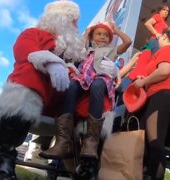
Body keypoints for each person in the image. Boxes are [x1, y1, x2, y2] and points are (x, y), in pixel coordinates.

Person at [0, 1, 88, 179]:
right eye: (73, 21)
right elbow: (24, 51)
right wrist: (49, 61)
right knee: (28, 72)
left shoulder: (72, 53)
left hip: (58, 107)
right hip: (32, 95)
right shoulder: (33, 33)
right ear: (59, 19)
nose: (76, 26)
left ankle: (83, 166)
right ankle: (4, 156)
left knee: (83, 88)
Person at [39, 21, 132, 177]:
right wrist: (87, 32)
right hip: (83, 78)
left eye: (106, 35)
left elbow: (128, 42)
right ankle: (63, 140)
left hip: (101, 78)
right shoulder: (85, 50)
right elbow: (77, 48)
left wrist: (116, 30)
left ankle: (91, 142)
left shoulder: (110, 51)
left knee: (97, 85)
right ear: (92, 37)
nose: (102, 37)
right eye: (99, 34)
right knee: (71, 87)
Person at [134, 25, 170, 180]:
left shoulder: (168, 50)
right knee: (146, 141)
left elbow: (164, 71)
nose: (157, 40)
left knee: (155, 141)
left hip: (163, 96)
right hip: (157, 96)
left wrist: (144, 80)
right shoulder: (166, 52)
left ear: (164, 36)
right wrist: (144, 81)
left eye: (158, 38)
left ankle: (152, 176)